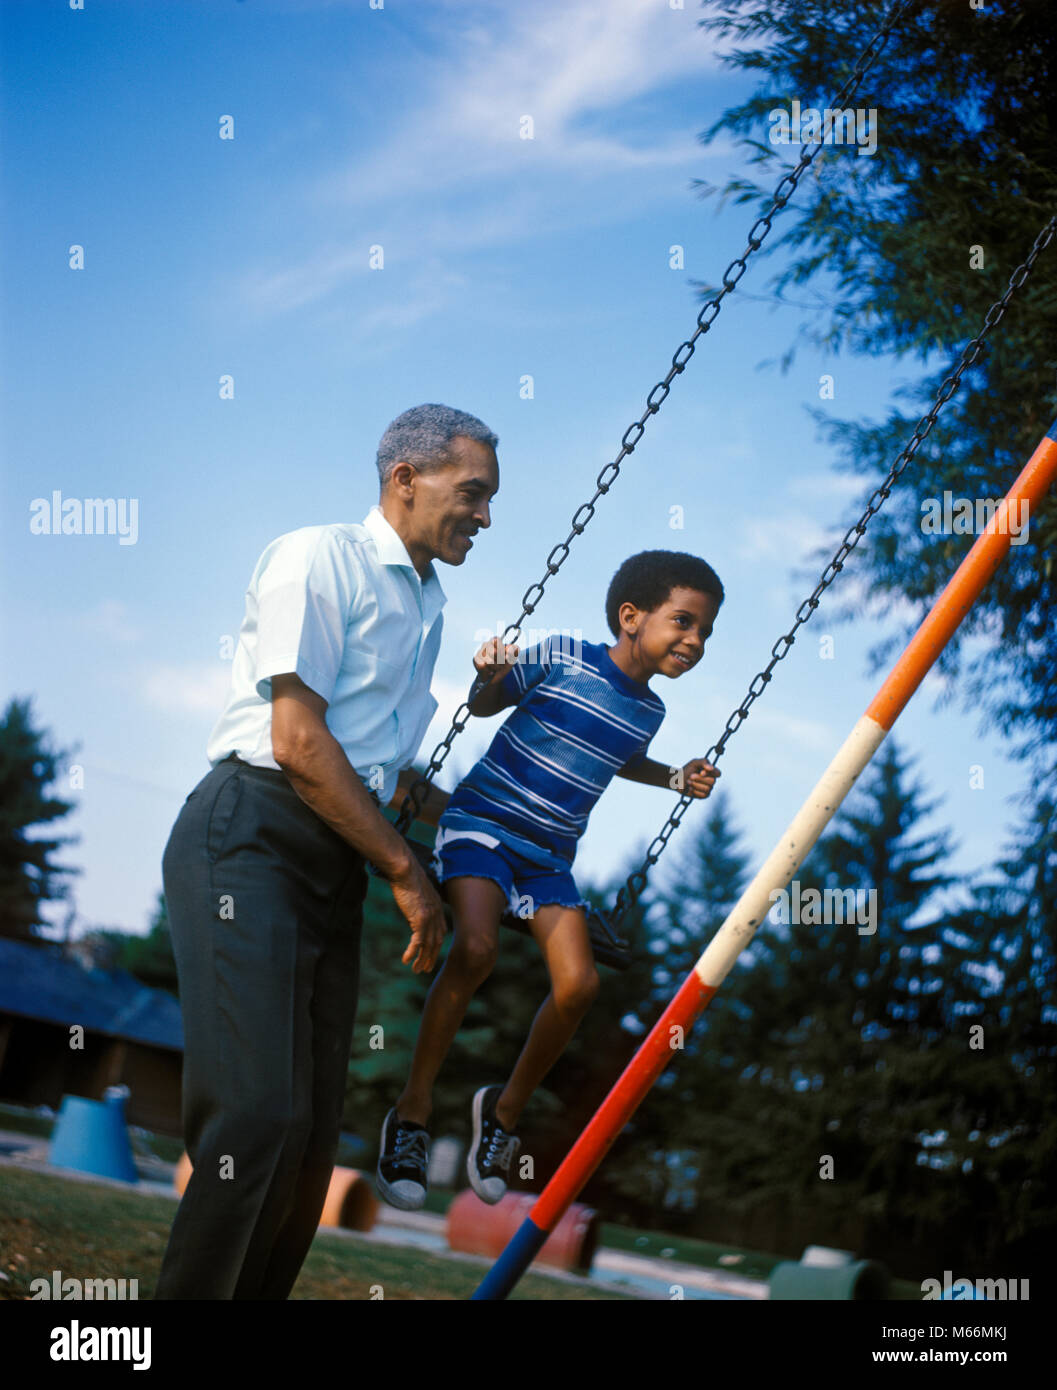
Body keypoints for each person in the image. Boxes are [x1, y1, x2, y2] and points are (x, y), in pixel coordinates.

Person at [153, 403, 498, 1299]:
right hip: (251, 838)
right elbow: (301, 744)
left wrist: (491, 840)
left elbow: (383, 773)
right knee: (255, 1115)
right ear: (404, 479)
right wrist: (406, 874)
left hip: (334, 856)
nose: (486, 517)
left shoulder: (427, 601)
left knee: (307, 1137)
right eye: (472, 493)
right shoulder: (318, 558)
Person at [376, 549, 724, 1210]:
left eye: (704, 631)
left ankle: (501, 1115)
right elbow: (483, 707)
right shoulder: (561, 655)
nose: (694, 641)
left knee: (580, 985)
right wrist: (487, 672)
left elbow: (623, 757)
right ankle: (413, 1112)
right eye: (683, 622)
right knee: (475, 948)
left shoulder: (649, 713)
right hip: (480, 825)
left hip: (547, 859)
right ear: (631, 616)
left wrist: (673, 777)